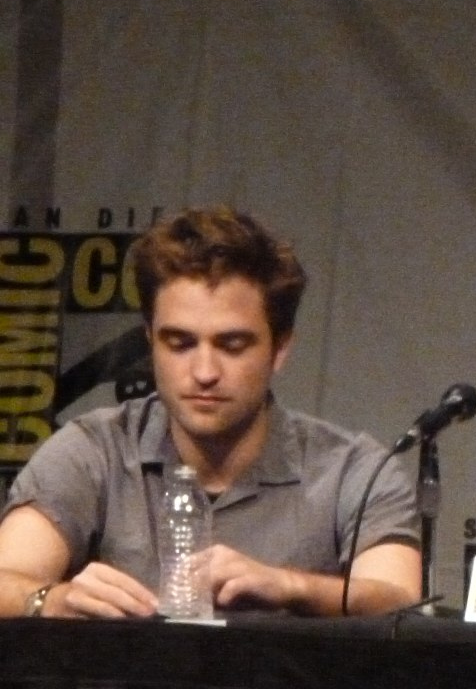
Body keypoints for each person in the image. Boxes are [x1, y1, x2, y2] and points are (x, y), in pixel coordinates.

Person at [0, 206, 421, 618]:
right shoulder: (94, 451)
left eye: (232, 345)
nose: (204, 373)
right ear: (150, 340)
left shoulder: (353, 470)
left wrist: (291, 586)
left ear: (279, 349)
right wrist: (50, 600)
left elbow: (400, 601)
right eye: (179, 344)